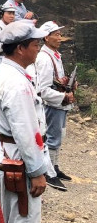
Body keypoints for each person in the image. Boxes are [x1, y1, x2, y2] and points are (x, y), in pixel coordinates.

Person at [0, 20, 48, 223]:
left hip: (5, 154)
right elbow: (26, 133)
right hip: (18, 159)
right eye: (35, 44)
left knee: (3, 221)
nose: (38, 48)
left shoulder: (3, 73)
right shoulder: (16, 84)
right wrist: (38, 171)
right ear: (20, 48)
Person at [32, 21, 74, 188]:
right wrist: (63, 97)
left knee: (58, 137)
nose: (59, 38)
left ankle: (54, 168)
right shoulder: (44, 58)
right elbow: (42, 89)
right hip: (53, 104)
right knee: (52, 139)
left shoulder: (54, 55)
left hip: (58, 103)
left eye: (59, 34)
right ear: (46, 37)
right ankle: (48, 172)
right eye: (56, 34)